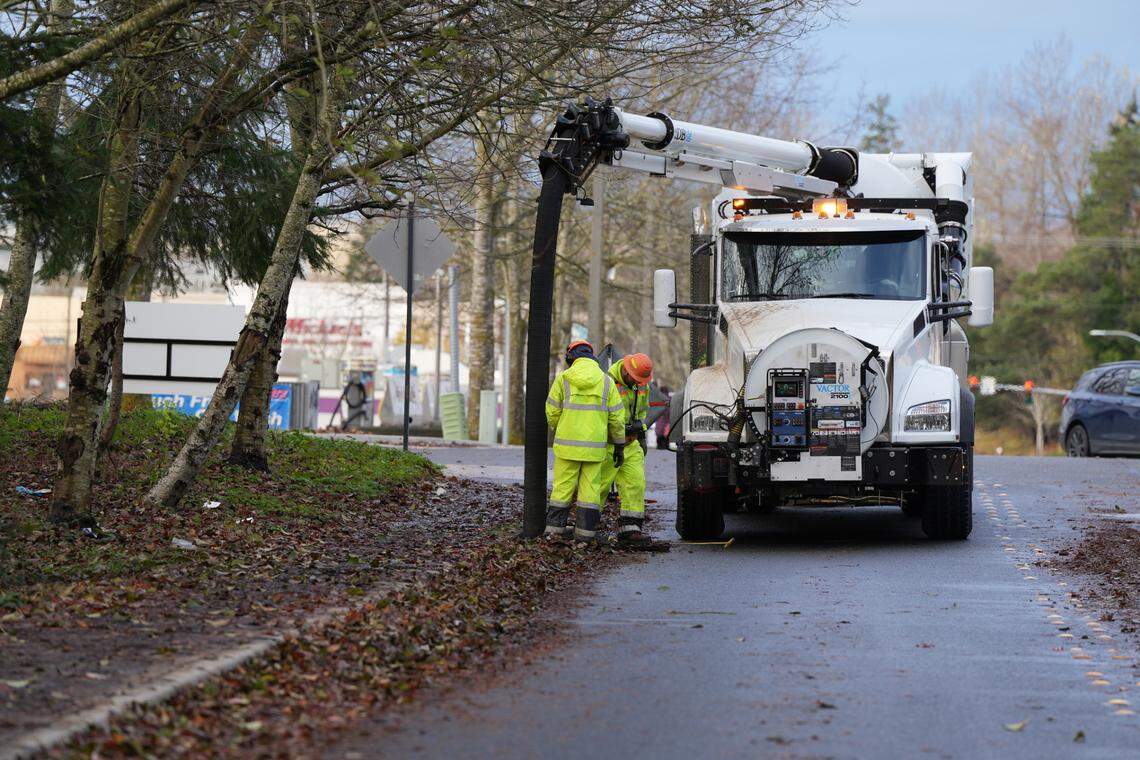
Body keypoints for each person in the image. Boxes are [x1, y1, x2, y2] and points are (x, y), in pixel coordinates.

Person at [544, 340, 626, 543]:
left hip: (566, 447)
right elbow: (616, 419)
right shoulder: (606, 381)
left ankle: (554, 533)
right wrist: (618, 445)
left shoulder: (563, 379)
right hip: (594, 450)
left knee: (562, 489)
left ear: (571, 357)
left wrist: (562, 426)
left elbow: (552, 411)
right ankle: (585, 535)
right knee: (590, 492)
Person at [600, 352, 654, 545]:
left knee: (635, 484)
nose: (637, 382)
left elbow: (642, 412)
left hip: (631, 443)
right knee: (599, 487)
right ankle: (587, 529)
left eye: (641, 380)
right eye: (635, 377)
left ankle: (630, 531)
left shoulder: (642, 385)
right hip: (608, 444)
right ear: (625, 369)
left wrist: (641, 434)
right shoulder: (607, 383)